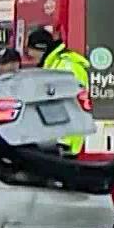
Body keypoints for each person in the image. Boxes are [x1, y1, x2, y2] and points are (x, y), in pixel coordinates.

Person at [23, 27, 92, 155]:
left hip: (64, 142)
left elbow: (73, 105)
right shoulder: (54, 65)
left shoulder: (66, 66)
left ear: (40, 49)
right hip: (55, 140)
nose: (31, 59)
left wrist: (63, 141)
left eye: (31, 53)